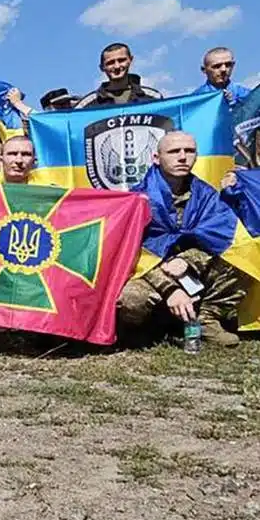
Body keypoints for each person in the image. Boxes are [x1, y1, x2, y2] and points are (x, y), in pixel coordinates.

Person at [118, 131, 246, 347]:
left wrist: (188, 261)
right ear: (156, 158)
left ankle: (205, 320)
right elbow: (131, 256)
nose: (182, 157)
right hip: (152, 273)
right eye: (174, 151)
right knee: (130, 300)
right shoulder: (136, 200)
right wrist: (170, 289)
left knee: (242, 259)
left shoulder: (207, 196)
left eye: (189, 151)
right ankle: (154, 325)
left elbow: (222, 238)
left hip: (190, 270)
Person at [75, 43, 163, 109]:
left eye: (121, 60)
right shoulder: (86, 105)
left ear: (130, 60)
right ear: (102, 67)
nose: (117, 66)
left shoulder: (153, 98)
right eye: (110, 63)